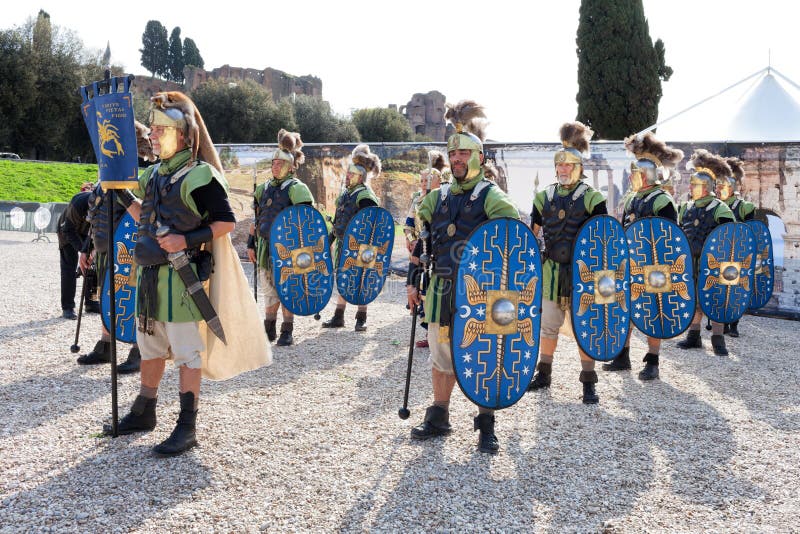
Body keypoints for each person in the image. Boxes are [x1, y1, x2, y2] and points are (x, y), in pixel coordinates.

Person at [106, 91, 269, 456]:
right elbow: (144, 217)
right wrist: (118, 194)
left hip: (182, 280)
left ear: (183, 135)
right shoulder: (153, 176)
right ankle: (145, 409)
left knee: (185, 353)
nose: (151, 134)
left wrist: (186, 239)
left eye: (159, 129)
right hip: (149, 277)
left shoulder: (200, 176)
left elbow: (226, 222)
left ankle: (187, 425)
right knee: (149, 347)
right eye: (152, 128)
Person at [407, 100, 519, 454]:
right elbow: (417, 238)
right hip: (440, 288)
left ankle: (487, 425)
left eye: (464, 155)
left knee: (482, 355)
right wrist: (412, 281)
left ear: (478, 158)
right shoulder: (436, 198)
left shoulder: (493, 198)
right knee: (441, 356)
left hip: (479, 292)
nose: (456, 160)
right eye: (452, 155)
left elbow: (515, 242)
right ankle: (439, 415)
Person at [526, 122, 608, 404]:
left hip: (582, 273)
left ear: (579, 167)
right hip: (550, 271)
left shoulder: (593, 198)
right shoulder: (543, 197)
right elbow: (531, 235)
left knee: (584, 325)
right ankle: (544, 373)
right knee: (547, 325)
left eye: (568, 166)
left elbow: (603, 241)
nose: (563, 170)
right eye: (559, 166)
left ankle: (588, 382)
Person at [602, 132, 684, 380]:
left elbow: (670, 235)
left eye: (635, 173)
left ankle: (653, 360)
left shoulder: (662, 200)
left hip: (654, 266)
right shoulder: (631, 199)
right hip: (630, 263)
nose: (631, 177)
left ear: (647, 173)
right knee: (625, 307)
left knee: (653, 310)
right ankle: (623, 355)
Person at [247, 129, 314, 347]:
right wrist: (251, 244)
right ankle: (269, 329)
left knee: (288, 288)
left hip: (288, 249)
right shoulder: (263, 189)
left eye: (280, 163)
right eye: (274, 163)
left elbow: (307, 221)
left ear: (291, 166)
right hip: (266, 246)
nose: (275, 166)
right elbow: (255, 220)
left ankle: (287, 330)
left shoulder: (297, 189)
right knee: (268, 288)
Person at [76, 181, 141, 374]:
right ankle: (106, 346)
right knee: (106, 297)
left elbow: (143, 215)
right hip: (105, 251)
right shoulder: (100, 184)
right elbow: (96, 219)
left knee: (131, 300)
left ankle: (140, 350)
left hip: (128, 253)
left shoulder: (136, 179)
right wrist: (87, 248)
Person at [675, 149, 735, 356]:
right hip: (690, 261)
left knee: (715, 298)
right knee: (693, 298)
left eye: (695, 184)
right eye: (691, 184)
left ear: (707, 186)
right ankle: (693, 337)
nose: (690, 187)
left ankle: (718, 339)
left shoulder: (720, 209)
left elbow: (731, 239)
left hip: (713, 263)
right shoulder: (686, 207)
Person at [321, 144, 381, 332]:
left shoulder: (366, 196)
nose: (347, 176)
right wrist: (330, 239)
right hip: (344, 244)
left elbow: (371, 224)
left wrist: (365, 248)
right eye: (347, 173)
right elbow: (340, 219)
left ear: (360, 176)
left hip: (362, 246)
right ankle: (339, 317)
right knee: (343, 279)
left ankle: (361, 318)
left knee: (362, 279)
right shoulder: (346, 193)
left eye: (351, 174)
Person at [405, 151, 450, 348]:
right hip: (420, 247)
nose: (424, 183)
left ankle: (437, 335)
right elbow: (409, 222)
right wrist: (411, 239)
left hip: (435, 250)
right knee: (421, 286)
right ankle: (430, 333)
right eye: (422, 180)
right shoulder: (417, 199)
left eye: (428, 180)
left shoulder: (441, 199)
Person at [717, 157, 755, 338]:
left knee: (735, 288)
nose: (718, 190)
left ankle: (734, 323)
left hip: (737, 253)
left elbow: (750, 233)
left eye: (722, 187)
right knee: (722, 289)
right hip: (720, 252)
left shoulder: (744, 207)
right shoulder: (715, 205)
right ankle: (723, 321)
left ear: (731, 188)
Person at [57, 183, 96, 320]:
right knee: (69, 267)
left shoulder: (106, 206)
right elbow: (67, 230)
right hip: (67, 230)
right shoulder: (78, 202)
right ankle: (68, 307)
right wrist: (83, 250)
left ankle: (91, 301)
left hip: (88, 232)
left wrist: (92, 251)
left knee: (91, 265)